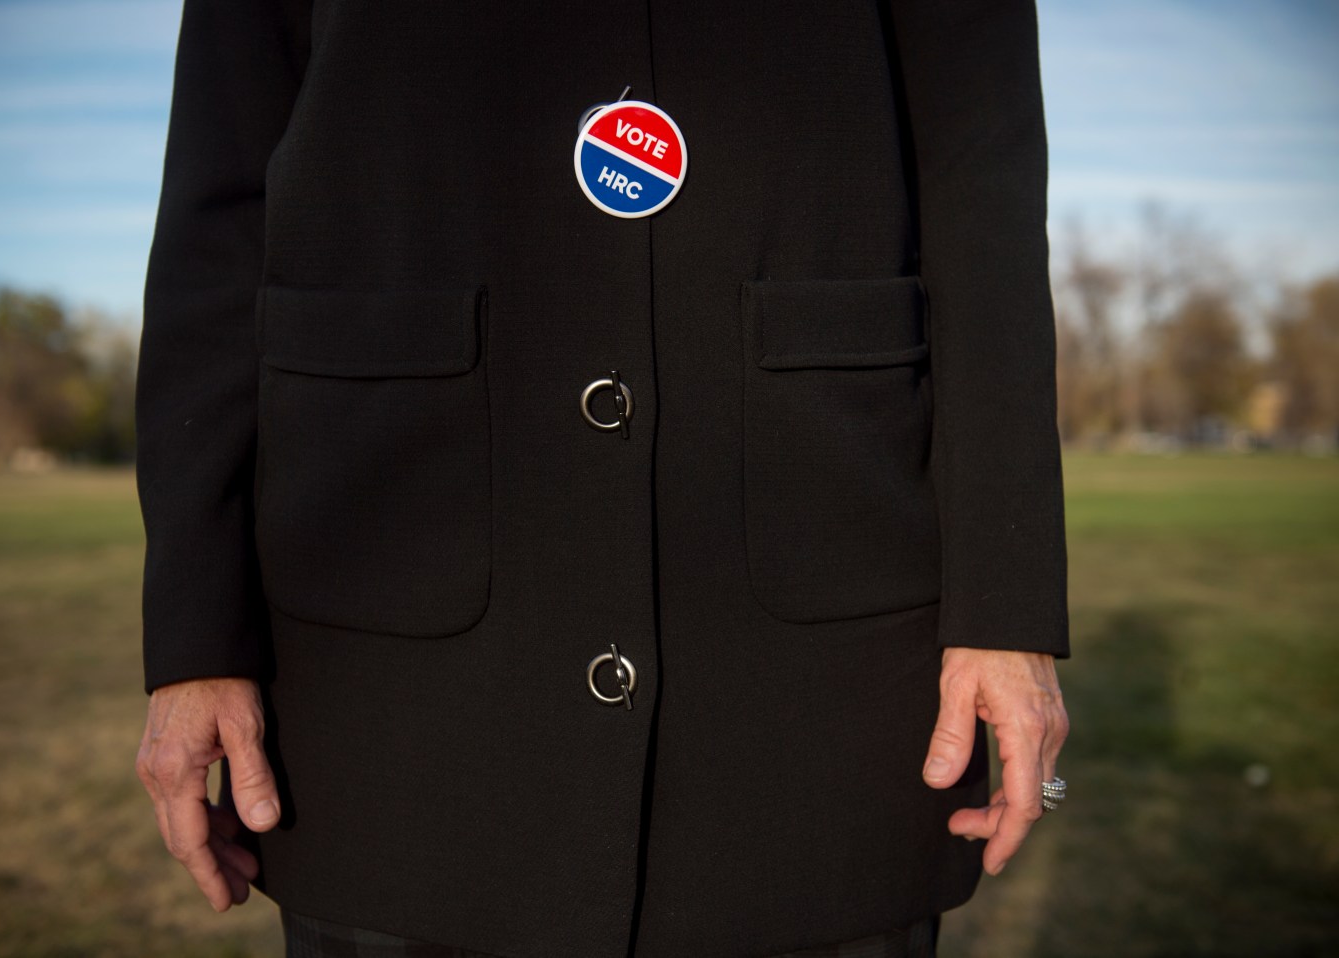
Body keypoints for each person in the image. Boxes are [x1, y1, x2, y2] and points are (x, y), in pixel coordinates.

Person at [133, 1, 1071, 956]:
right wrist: (197, 637)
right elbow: (219, 218)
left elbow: (982, 190)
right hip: (392, 682)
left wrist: (1006, 607)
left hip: (814, 687)